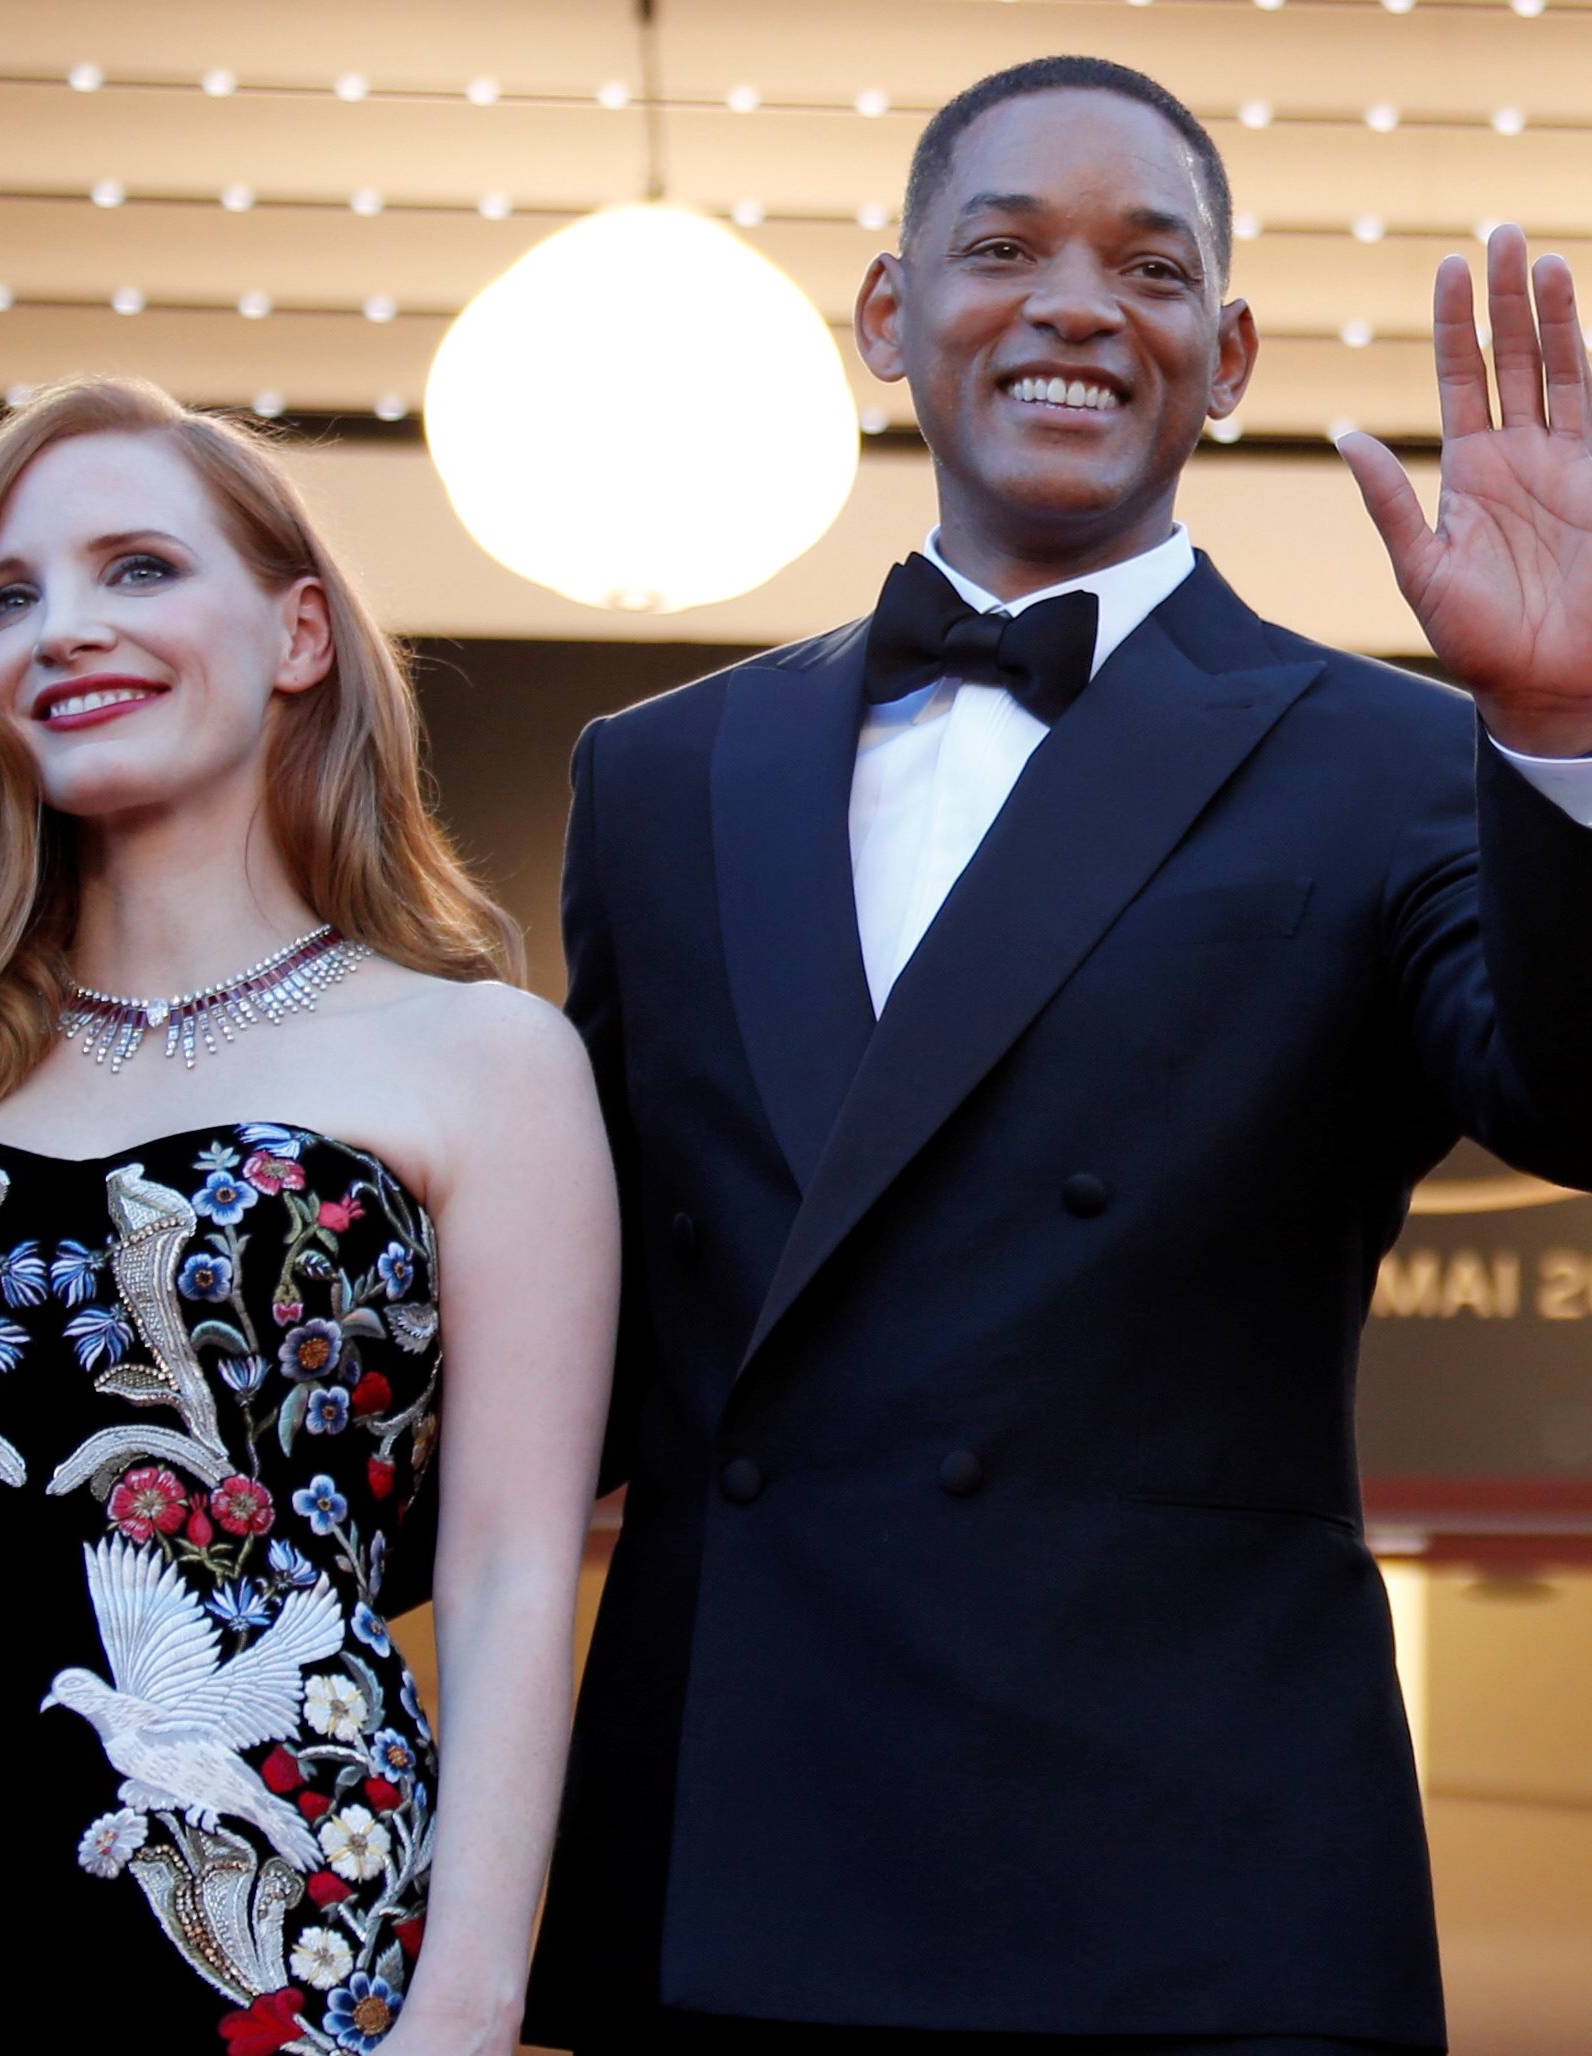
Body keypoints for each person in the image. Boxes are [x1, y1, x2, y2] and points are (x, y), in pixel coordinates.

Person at [523, 54, 1592, 2056]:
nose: (1078, 304)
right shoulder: (658, 776)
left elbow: (1579, 1092)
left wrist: (1556, 724)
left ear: (1231, 348)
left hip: (1182, 1885)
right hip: (733, 1863)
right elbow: (578, 1331)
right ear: (888, 315)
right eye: (1002, 248)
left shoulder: (1387, 757)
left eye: (1149, 265)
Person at [0, 375, 617, 2055]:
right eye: (8, 599)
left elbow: (508, 1572)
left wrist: (468, 1999)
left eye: (138, 568)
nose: (62, 630)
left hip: (269, 1937)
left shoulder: (482, 1059)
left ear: (302, 633)